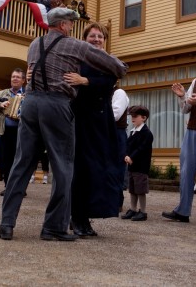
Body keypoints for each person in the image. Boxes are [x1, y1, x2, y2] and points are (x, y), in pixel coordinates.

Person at [0, 7, 127, 241]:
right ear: (64, 24)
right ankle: (53, 227)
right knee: (63, 166)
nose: (71, 27)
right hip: (56, 104)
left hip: (31, 104)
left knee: (21, 165)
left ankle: (6, 225)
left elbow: (32, 70)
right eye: (70, 23)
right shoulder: (74, 44)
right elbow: (118, 67)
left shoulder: (35, 43)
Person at [64, 22, 121, 237]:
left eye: (100, 37)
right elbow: (68, 79)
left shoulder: (109, 60)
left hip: (102, 122)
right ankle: (76, 217)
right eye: (92, 36)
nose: (96, 39)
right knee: (81, 169)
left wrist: (86, 80)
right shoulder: (77, 59)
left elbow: (111, 80)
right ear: (84, 38)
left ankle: (86, 217)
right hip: (80, 119)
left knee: (99, 170)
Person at [162, 48, 196, 227]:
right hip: (192, 131)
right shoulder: (195, 81)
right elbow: (185, 108)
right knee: (187, 171)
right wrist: (183, 97)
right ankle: (183, 211)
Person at [0, 69, 25, 195]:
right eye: (13, 76)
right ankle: (8, 186)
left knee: (21, 160)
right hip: (5, 131)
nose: (14, 79)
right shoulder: (2, 93)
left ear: (23, 80)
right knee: (7, 160)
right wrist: (0, 104)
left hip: (23, 132)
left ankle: (20, 188)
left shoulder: (28, 94)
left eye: (18, 77)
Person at [121, 105, 153, 222]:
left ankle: (143, 212)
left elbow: (142, 148)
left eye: (135, 116)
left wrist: (131, 157)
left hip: (141, 166)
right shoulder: (133, 131)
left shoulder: (146, 133)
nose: (132, 118)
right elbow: (129, 146)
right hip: (132, 166)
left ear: (144, 118)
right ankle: (133, 209)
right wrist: (125, 155)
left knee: (140, 190)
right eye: (131, 116)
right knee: (133, 189)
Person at [112, 84, 130, 210]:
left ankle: (117, 201)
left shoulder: (119, 93)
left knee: (117, 168)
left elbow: (115, 114)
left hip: (117, 133)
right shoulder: (104, 93)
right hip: (106, 132)